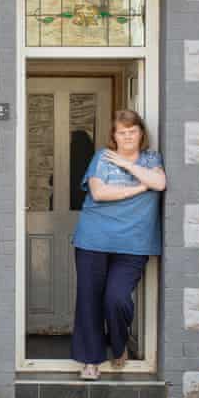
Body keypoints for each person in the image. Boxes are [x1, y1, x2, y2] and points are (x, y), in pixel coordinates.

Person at [71, 109, 166, 380]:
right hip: (94, 239)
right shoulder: (102, 157)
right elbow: (99, 192)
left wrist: (128, 167)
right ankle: (90, 361)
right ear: (114, 135)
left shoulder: (151, 158)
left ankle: (119, 344)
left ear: (141, 134)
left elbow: (159, 183)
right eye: (122, 132)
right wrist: (139, 188)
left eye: (132, 131)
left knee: (117, 298)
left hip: (134, 243)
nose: (127, 137)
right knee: (89, 300)